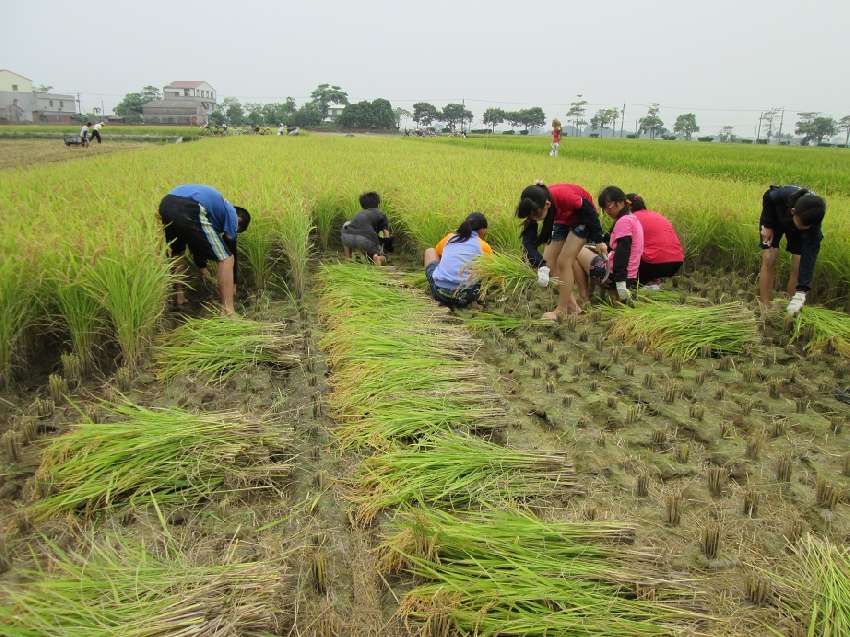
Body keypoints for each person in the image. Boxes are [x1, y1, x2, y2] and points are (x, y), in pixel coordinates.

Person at [516, 182, 606, 318]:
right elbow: (529, 242)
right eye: (531, 215)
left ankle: (561, 309)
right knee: (549, 264)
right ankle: (574, 308)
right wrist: (540, 264)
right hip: (562, 219)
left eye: (537, 214)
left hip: (583, 218)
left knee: (564, 261)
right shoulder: (535, 203)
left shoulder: (564, 196)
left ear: (547, 204)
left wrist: (599, 240)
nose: (534, 218)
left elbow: (590, 211)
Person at [158, 184, 251, 316]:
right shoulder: (231, 213)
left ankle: (179, 298)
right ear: (239, 223)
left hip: (166, 203)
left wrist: (202, 268)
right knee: (226, 259)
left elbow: (196, 242)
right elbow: (231, 249)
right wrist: (233, 283)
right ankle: (228, 311)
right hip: (191, 206)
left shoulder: (214, 210)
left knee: (177, 252)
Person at [758, 185, 826, 315]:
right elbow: (768, 196)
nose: (804, 228)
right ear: (793, 211)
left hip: (799, 226)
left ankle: (789, 308)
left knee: (798, 263)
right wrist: (766, 225)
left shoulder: (813, 223)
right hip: (775, 219)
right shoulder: (783, 195)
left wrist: (802, 291)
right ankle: (765, 308)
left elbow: (809, 257)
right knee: (769, 257)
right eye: (801, 225)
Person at [574, 186, 644, 305]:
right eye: (604, 208)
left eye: (608, 206)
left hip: (612, 276)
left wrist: (620, 282)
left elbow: (623, 253)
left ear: (620, 202)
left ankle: (584, 297)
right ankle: (609, 295)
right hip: (630, 278)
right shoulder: (632, 219)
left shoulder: (624, 222)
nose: (607, 210)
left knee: (575, 252)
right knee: (589, 250)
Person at [424, 212, 492, 308]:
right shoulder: (483, 246)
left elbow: (438, 254)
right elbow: (490, 272)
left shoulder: (450, 237)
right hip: (465, 296)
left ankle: (443, 287)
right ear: (482, 230)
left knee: (430, 251)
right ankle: (477, 300)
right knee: (483, 270)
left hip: (440, 293)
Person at [626, 194, 684, 289]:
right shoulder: (657, 215)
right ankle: (654, 284)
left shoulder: (630, 219)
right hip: (677, 262)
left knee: (624, 251)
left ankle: (632, 287)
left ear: (627, 206)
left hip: (653, 263)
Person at [341, 192, 389, 265]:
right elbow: (386, 233)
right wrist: (385, 250)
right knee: (384, 257)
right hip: (364, 239)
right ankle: (377, 258)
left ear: (362, 205)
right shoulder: (380, 213)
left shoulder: (359, 213)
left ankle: (348, 258)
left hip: (347, 237)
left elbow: (348, 226)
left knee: (347, 225)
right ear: (378, 203)